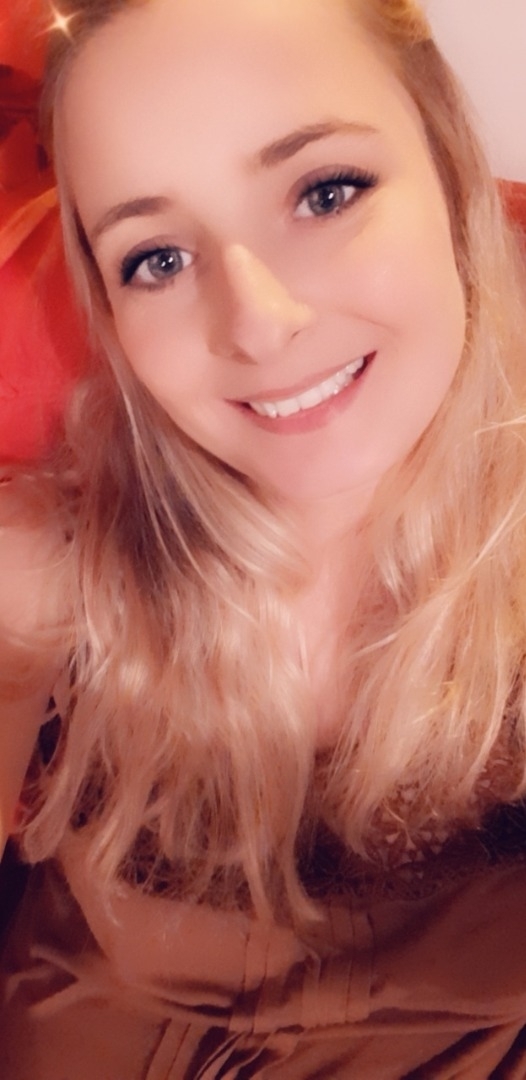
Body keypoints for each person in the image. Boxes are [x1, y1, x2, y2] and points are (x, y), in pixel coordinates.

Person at [1, 0, 526, 1075]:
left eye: (324, 192)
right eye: (156, 258)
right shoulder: (53, 567)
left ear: (448, 164)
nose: (256, 321)